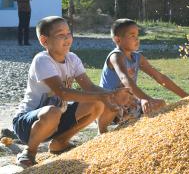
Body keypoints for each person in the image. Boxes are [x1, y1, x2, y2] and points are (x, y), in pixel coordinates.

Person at [12, 16, 133, 168]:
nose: (67, 38)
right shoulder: (42, 60)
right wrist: (105, 95)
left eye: (69, 33)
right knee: (53, 111)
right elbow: (62, 92)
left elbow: (90, 88)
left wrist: (113, 95)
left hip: (56, 119)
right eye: (60, 35)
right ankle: (29, 152)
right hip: (26, 124)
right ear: (44, 41)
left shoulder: (72, 59)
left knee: (96, 103)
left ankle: (60, 142)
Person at [97, 18, 189, 134]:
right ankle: (102, 131)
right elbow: (125, 79)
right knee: (121, 97)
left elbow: (159, 77)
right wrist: (144, 98)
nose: (137, 39)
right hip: (108, 104)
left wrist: (185, 96)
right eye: (132, 36)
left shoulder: (137, 58)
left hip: (128, 102)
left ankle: (131, 127)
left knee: (160, 104)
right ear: (118, 39)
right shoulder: (116, 56)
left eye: (137, 35)